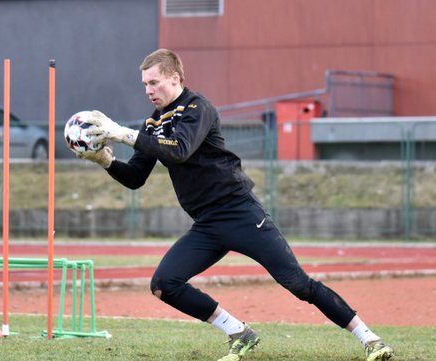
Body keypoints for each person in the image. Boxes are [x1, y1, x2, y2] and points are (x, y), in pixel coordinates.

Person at [79, 49, 394, 361]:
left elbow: (180, 150)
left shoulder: (197, 107)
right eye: (145, 84)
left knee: (299, 285)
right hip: (207, 224)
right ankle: (240, 334)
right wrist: (106, 160)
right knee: (164, 284)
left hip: (241, 213)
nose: (148, 90)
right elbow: (135, 177)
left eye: (154, 82)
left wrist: (122, 133)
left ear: (175, 78)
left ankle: (371, 340)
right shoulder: (153, 124)